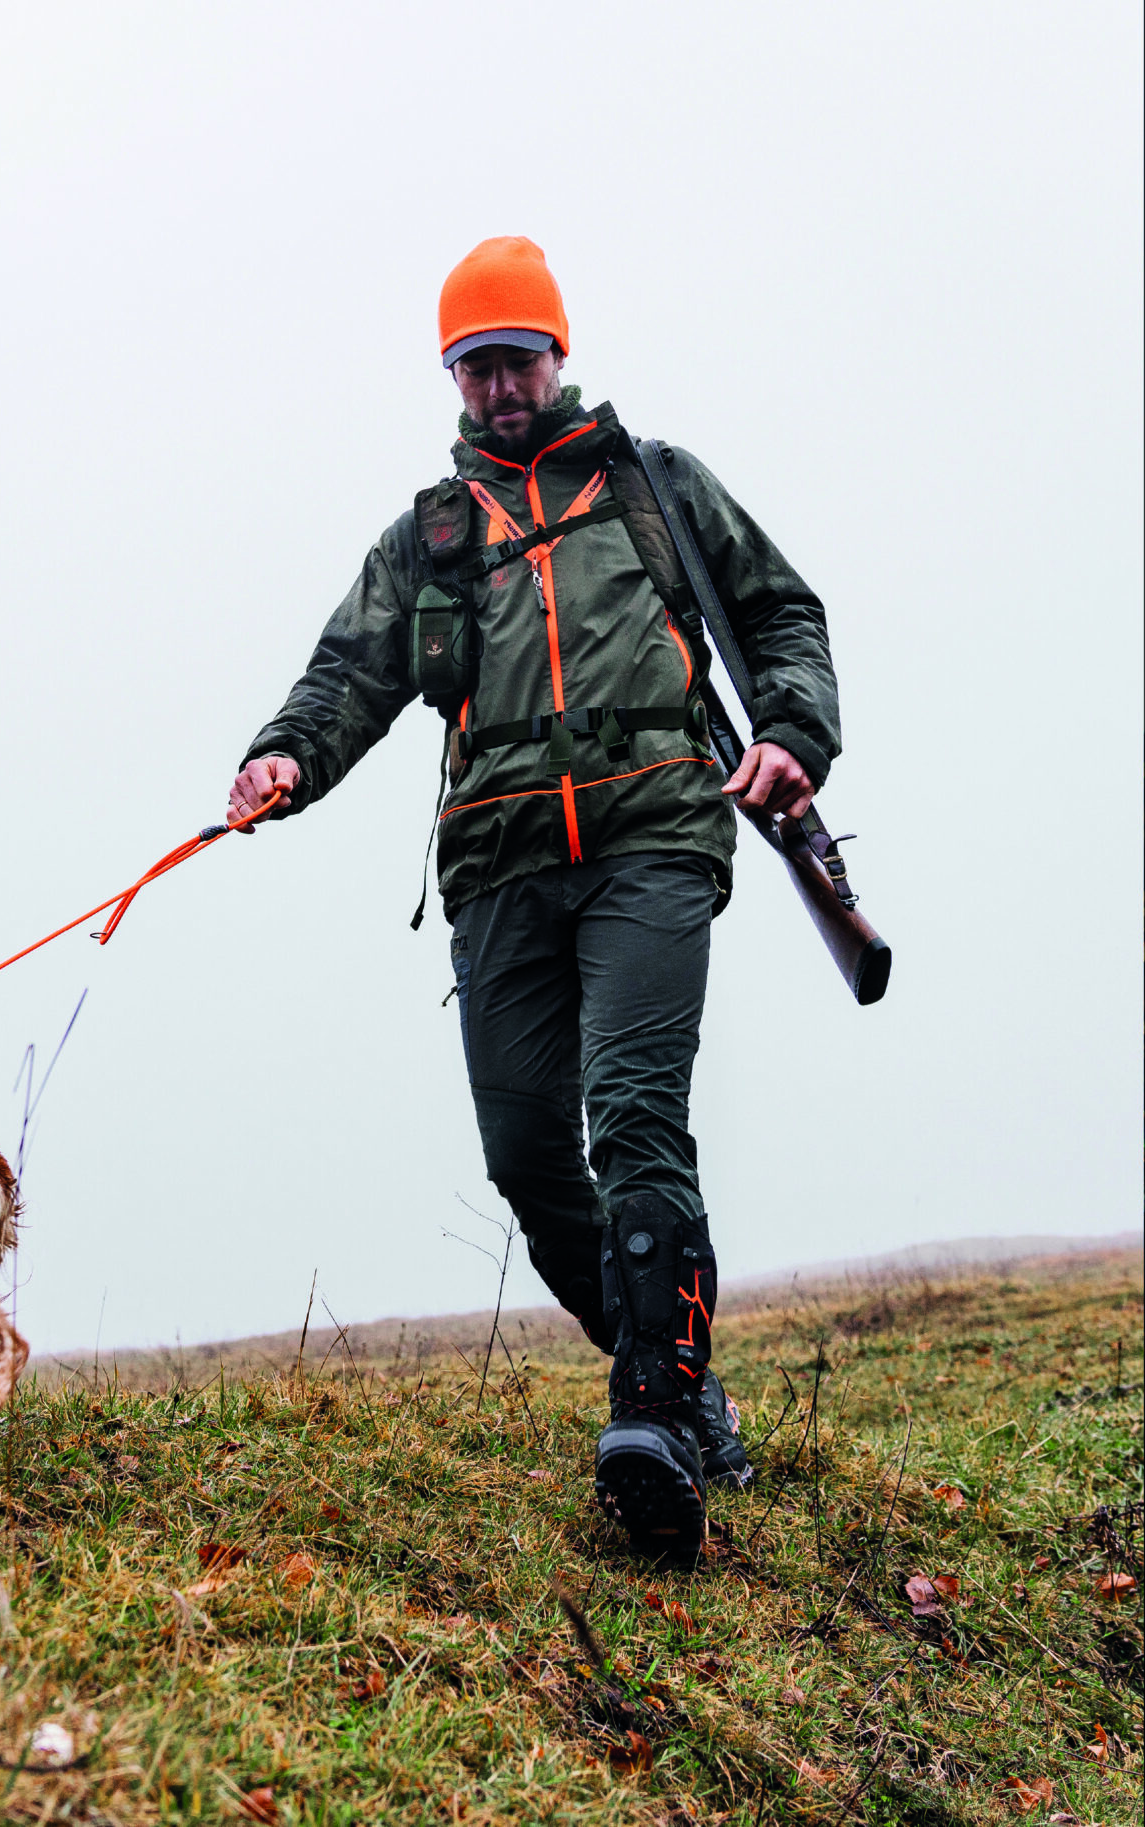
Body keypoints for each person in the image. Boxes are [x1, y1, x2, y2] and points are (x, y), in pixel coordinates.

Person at [227, 237, 839, 1565]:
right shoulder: (429, 540)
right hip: (497, 864)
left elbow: (783, 610)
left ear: (558, 354)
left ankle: (652, 1421)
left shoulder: (655, 488)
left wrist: (793, 729)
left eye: (516, 358)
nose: (500, 386)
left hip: (654, 841)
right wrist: (284, 755)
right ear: (452, 378)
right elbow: (344, 681)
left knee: (633, 1113)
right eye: (475, 366)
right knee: (521, 1148)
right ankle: (675, 1373)